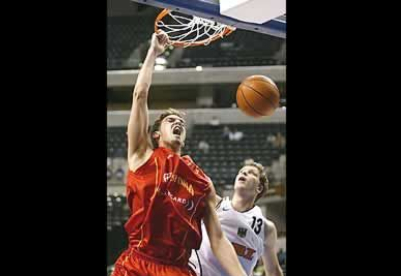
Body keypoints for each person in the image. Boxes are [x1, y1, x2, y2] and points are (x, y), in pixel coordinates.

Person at [111, 31, 247, 276]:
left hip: (176, 269)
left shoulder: (202, 182)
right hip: (138, 263)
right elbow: (140, 96)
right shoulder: (142, 155)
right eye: (171, 120)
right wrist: (153, 52)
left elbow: (217, 239)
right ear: (156, 134)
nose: (178, 123)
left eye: (181, 122)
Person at [189, 159, 284, 276]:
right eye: (241, 171)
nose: (243, 173)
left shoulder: (266, 228)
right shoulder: (214, 203)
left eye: (251, 173)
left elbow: (273, 271)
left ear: (259, 187)